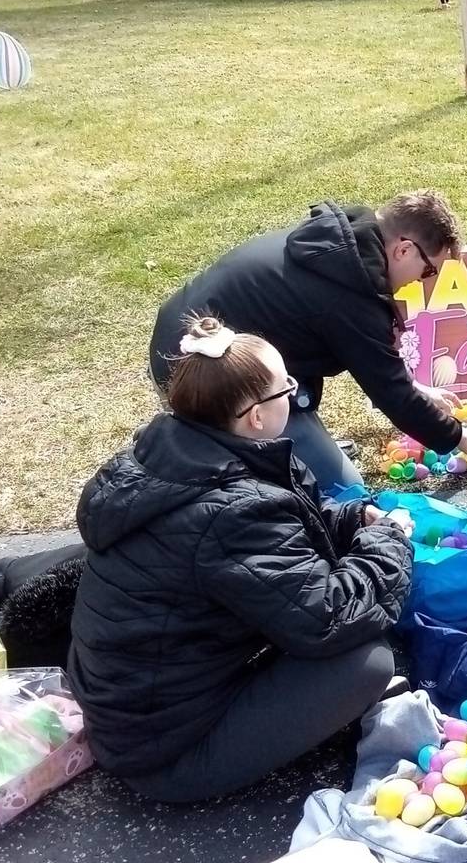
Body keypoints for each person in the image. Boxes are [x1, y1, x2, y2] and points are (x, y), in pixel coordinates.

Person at [70, 316, 414, 802]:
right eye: (286, 388)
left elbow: (286, 538)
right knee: (365, 662)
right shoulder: (234, 508)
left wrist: (354, 521)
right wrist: (390, 541)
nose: (293, 395)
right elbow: (327, 617)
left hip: (132, 707)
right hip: (166, 754)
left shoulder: (182, 453)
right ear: (255, 414)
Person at [149, 193, 467, 491]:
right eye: (428, 271)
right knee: (345, 491)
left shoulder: (338, 245)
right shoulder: (351, 292)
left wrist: (418, 389)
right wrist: (459, 437)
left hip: (182, 336)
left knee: (314, 455)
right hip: (198, 368)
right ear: (404, 250)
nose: (423, 283)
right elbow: (390, 393)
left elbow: (373, 363)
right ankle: (232, 456)